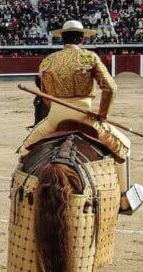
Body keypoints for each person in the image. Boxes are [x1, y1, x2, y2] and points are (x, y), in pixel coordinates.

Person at [21, 20, 130, 193]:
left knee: (24, 149)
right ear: (82, 40)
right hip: (84, 117)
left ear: (62, 39)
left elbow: (46, 97)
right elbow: (110, 88)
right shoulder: (89, 57)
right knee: (123, 146)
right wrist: (102, 114)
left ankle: (21, 192)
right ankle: (124, 197)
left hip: (55, 118)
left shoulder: (47, 61)